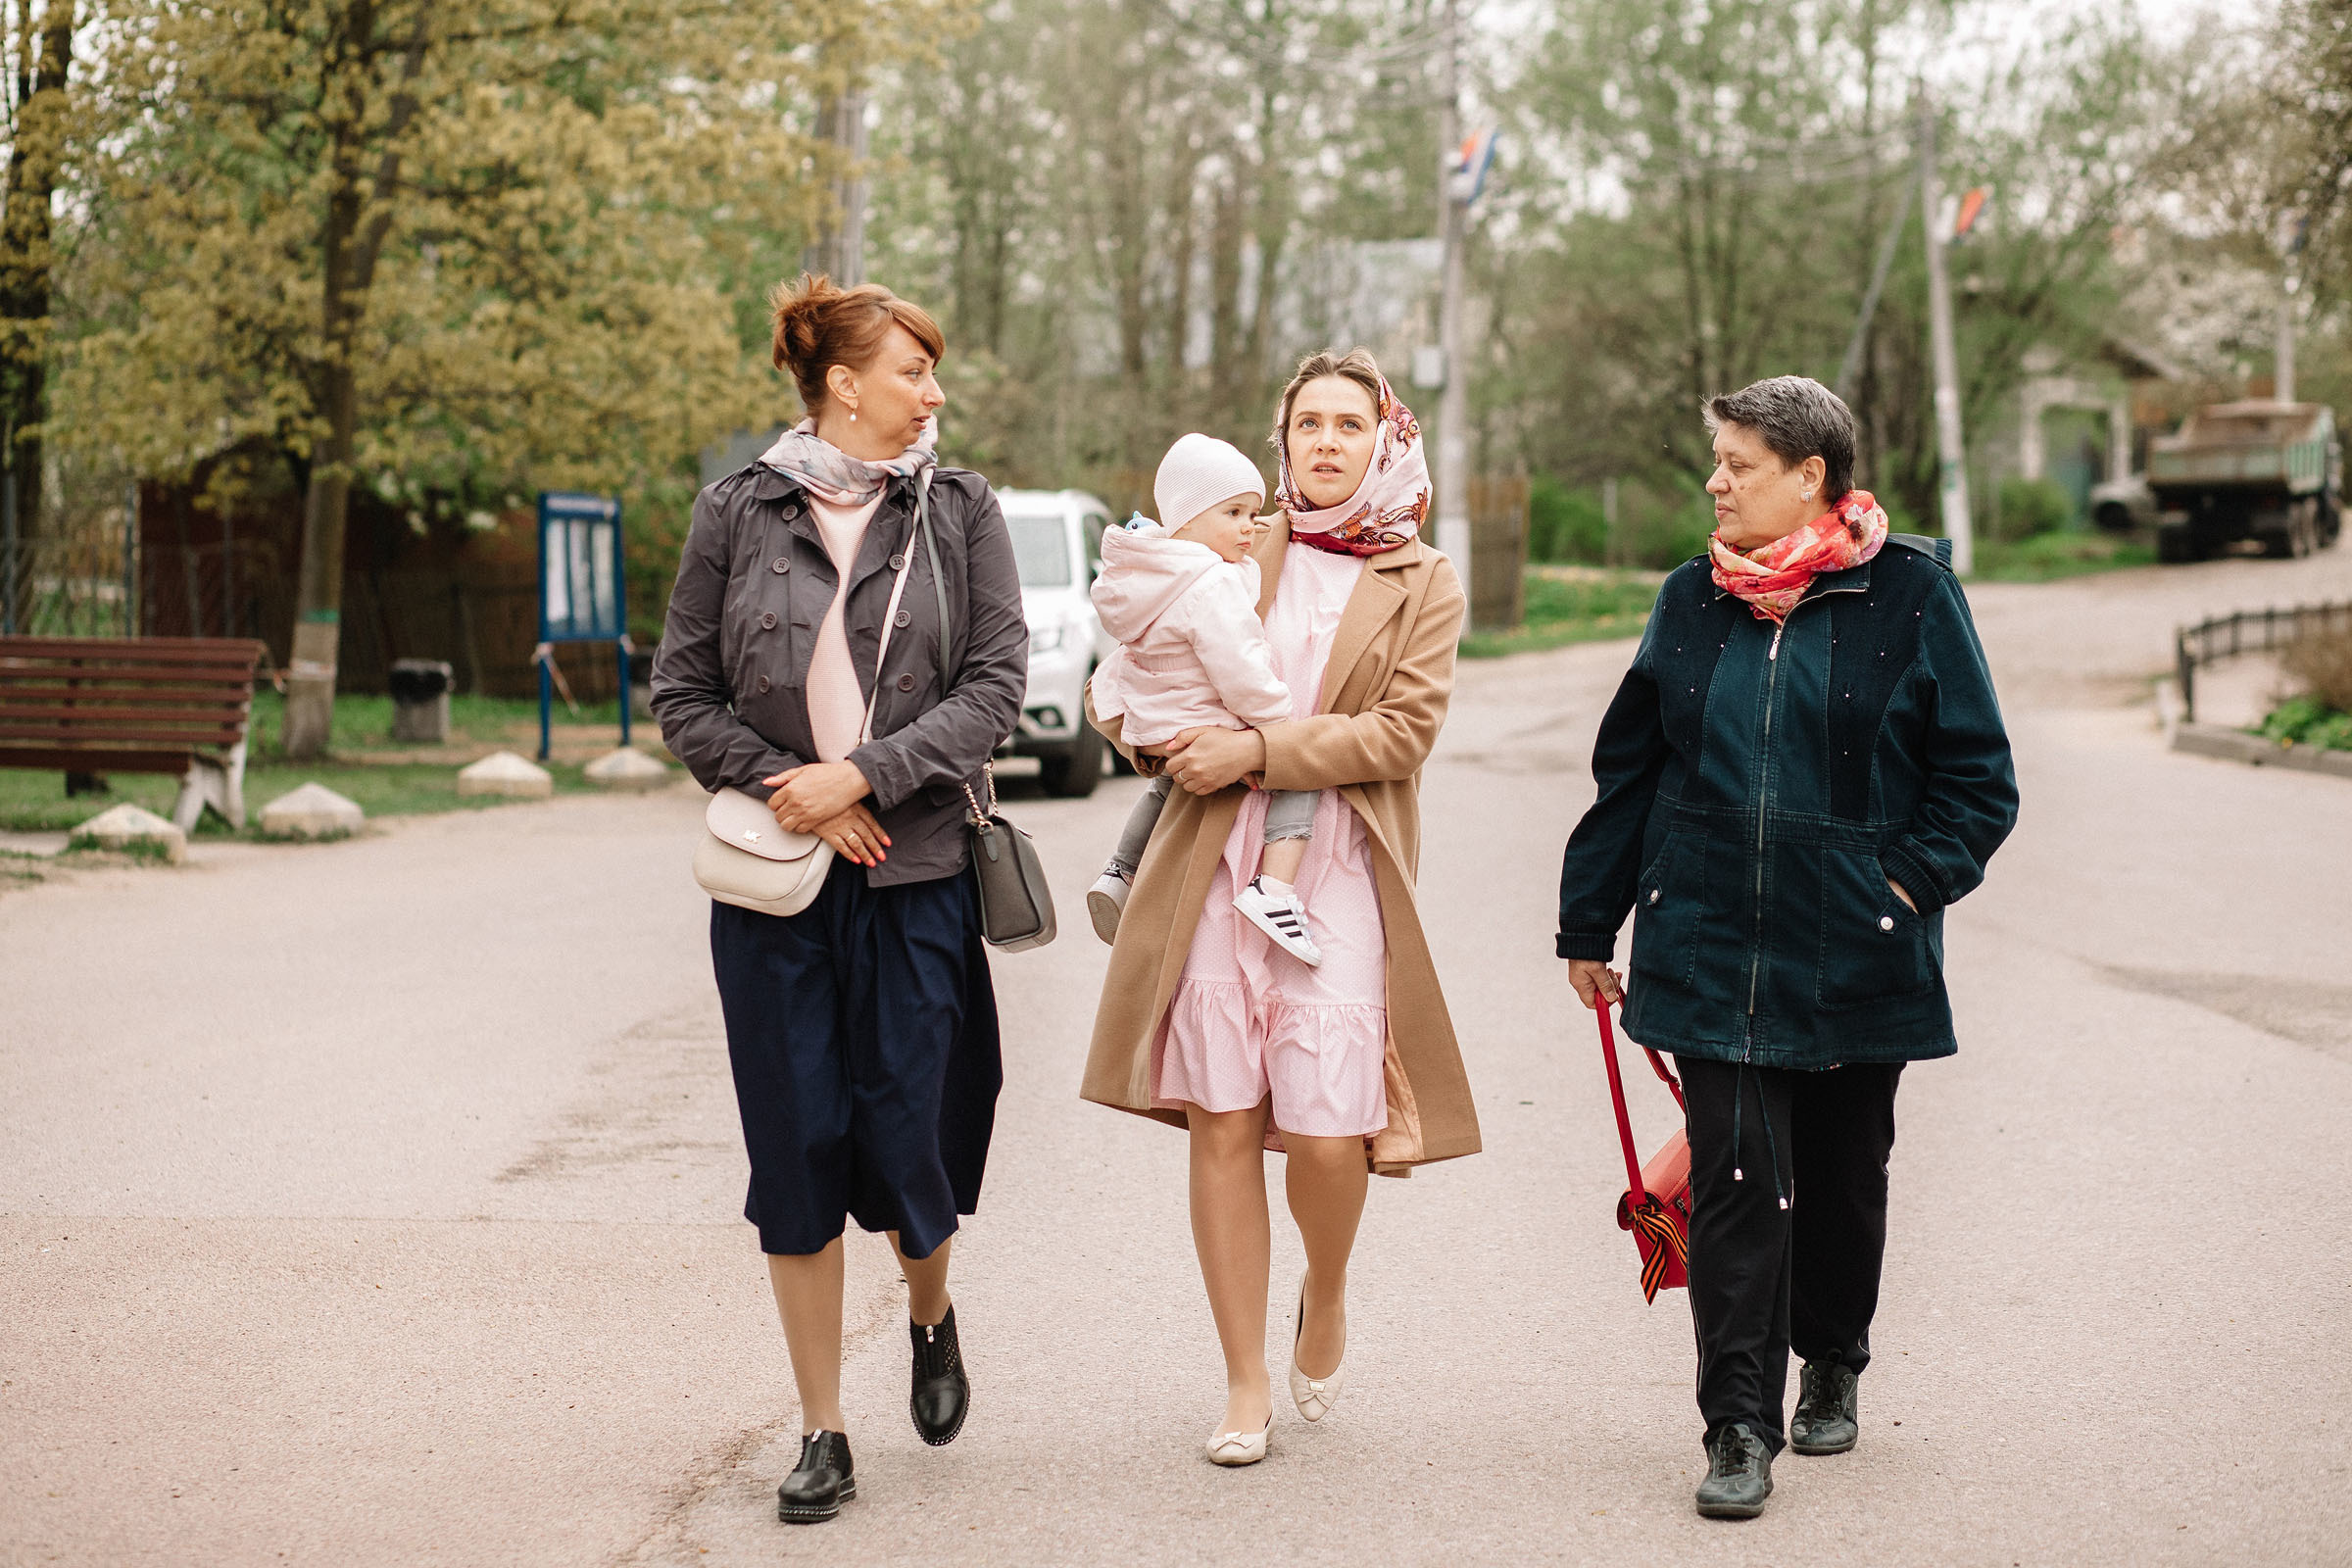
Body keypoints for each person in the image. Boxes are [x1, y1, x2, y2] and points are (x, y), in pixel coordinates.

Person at [1554, 375, 2018, 1519]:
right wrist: (1588, 918)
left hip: (1860, 944)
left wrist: (1901, 886)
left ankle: (1836, 1359)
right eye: (1717, 461)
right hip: (1707, 940)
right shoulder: (1688, 599)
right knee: (1737, 1183)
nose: (1714, 481)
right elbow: (1633, 771)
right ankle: (1736, 1425)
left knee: (1847, 1174)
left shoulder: (1910, 593)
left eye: (1738, 463)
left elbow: (1978, 780)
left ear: (1811, 473)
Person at [650, 273, 1026, 1525]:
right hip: (775, 889)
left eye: (934, 370)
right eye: (913, 370)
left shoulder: (962, 511)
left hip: (916, 880)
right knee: (797, 1148)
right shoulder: (736, 512)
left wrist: (864, 773)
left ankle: (930, 1306)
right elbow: (683, 693)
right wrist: (789, 787)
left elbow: (994, 689)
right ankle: (821, 1426)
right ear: (843, 383)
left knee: (908, 1136)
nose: (934, 391)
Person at [1081, 349, 1480, 1468]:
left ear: (1384, 438)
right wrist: (1152, 734)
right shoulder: (1235, 545)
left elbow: (1400, 733)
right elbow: (1138, 670)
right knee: (1220, 1117)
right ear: (1283, 438)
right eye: (1308, 422)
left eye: (1349, 423)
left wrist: (1255, 745)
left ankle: (1330, 1281)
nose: (1325, 441)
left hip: (1340, 862)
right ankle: (1243, 1377)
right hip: (1213, 857)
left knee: (1323, 1125)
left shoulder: (1422, 579)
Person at [1086, 432, 1326, 964]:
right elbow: (1238, 666)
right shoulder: (1212, 584)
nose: (1248, 527)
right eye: (1235, 512)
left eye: (1254, 513)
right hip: (1205, 718)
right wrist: (1276, 720)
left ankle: (1120, 871)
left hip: (1158, 721)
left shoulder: (1151, 573)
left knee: (1162, 792)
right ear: (1189, 521)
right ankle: (1275, 889)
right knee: (1302, 772)